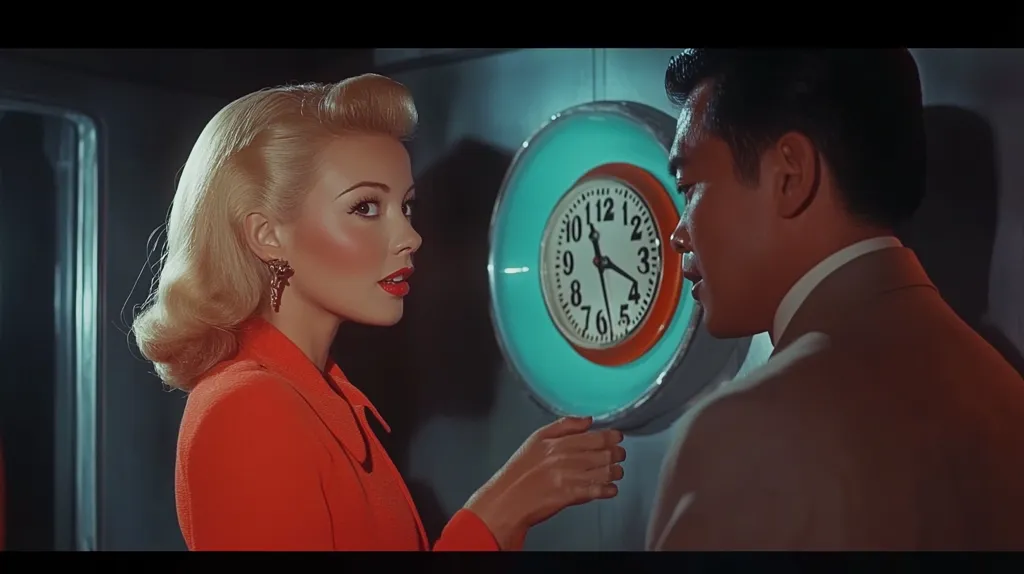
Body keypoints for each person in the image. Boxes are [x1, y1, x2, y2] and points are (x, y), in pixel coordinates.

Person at [132, 74, 626, 551]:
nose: (410, 237)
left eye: (406, 207)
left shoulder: (320, 395)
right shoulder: (249, 408)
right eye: (366, 207)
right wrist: (496, 515)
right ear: (266, 235)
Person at [647, 49, 1024, 550]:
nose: (677, 235)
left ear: (790, 174)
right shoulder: (1004, 391)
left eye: (688, 186)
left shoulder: (747, 432)